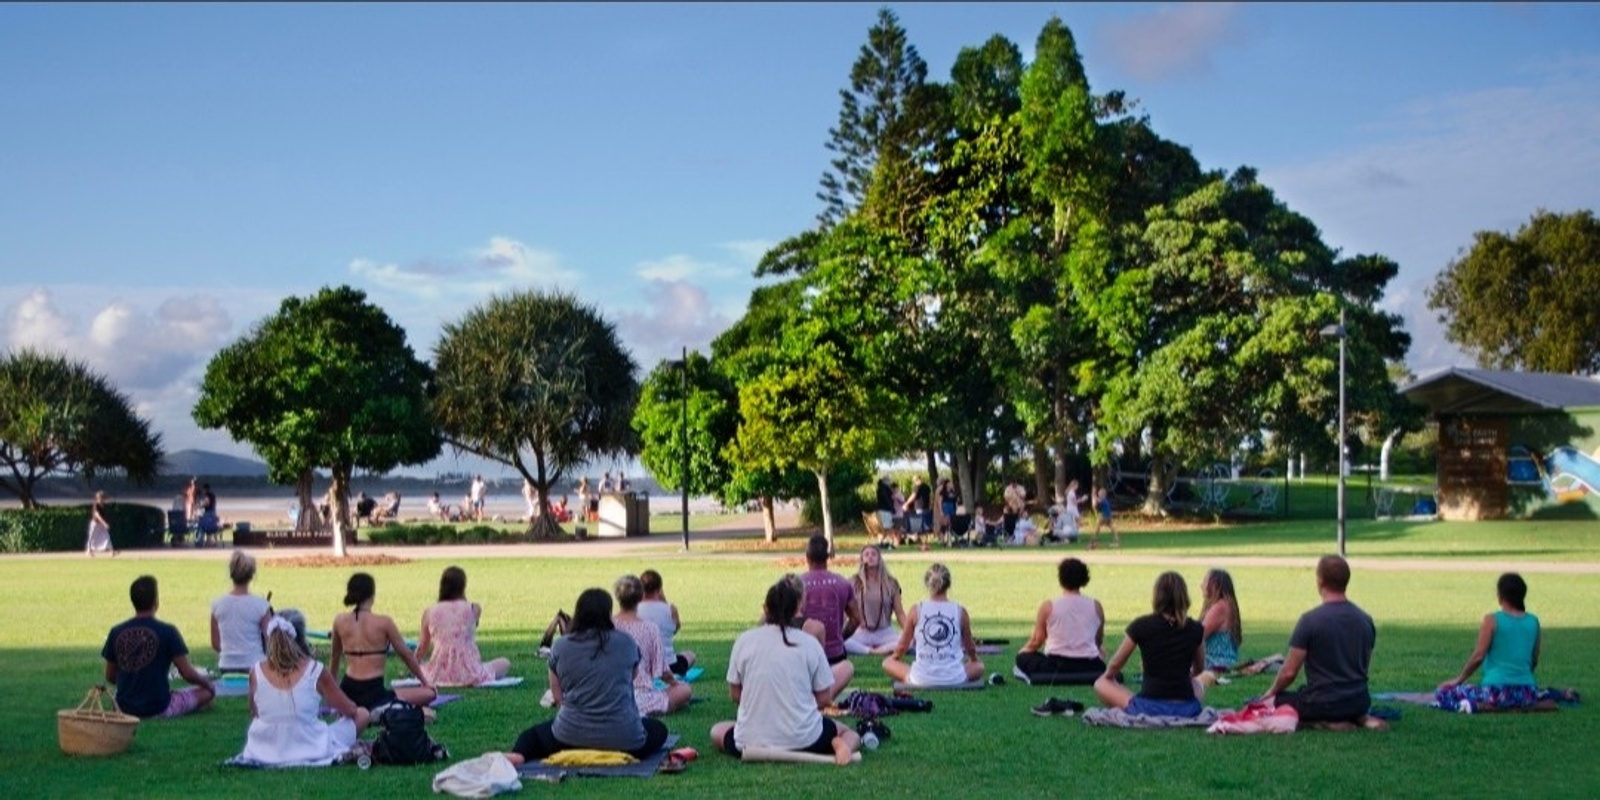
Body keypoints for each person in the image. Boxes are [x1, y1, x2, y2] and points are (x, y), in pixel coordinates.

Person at [504, 589, 671, 766]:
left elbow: (557, 692)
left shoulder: (561, 646)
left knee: (532, 737)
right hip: (625, 737)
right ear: (608, 613)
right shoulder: (626, 642)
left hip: (569, 734)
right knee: (658, 729)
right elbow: (633, 675)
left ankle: (519, 756)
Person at [711, 577, 862, 766]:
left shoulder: (744, 640)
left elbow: (735, 695)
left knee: (717, 731)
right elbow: (824, 700)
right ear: (796, 611)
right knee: (850, 734)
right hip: (806, 738)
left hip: (751, 741)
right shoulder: (809, 643)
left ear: (765, 609)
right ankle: (840, 744)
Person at [1260, 555, 1380, 728]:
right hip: (1359, 700)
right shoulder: (1365, 620)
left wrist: (1271, 693)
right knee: (1339, 703)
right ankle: (1361, 718)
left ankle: (1324, 722)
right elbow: (1363, 666)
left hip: (1324, 702)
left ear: (1320, 581)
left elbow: (1289, 672)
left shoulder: (1310, 621)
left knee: (1277, 701)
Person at [236, 615, 369, 767]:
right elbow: (350, 710)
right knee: (362, 714)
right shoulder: (315, 670)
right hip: (311, 746)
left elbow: (255, 712)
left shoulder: (256, 671)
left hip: (262, 749)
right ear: (301, 640)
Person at [1094, 571, 1205, 717]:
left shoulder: (1141, 625)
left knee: (1101, 683)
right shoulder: (1196, 628)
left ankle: (1136, 706)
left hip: (1149, 707)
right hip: (1187, 707)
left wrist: (1109, 676)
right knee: (1198, 685)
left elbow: (1115, 664)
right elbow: (1198, 670)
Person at [102, 575, 215, 718]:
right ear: (156, 602)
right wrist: (207, 684)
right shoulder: (168, 631)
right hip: (159, 707)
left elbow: (110, 676)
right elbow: (187, 673)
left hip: (123, 708)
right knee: (205, 693)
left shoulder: (116, 631)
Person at [1435, 572, 1545, 711]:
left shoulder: (1491, 620)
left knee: (1442, 692)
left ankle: (1481, 706)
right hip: (1527, 693)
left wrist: (1459, 679)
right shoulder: (1533, 621)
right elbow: (1534, 658)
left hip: (1495, 692)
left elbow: (1479, 656)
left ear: (1501, 595)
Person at [330, 572, 438, 711]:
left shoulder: (339, 620)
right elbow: (406, 655)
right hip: (375, 692)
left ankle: (365, 708)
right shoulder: (384, 622)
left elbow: (335, 657)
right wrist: (425, 682)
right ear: (372, 595)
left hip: (348, 689)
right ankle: (381, 708)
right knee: (430, 694)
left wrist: (333, 692)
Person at [883, 564, 985, 687]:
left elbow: (902, 646)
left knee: (887, 663)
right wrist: (974, 660)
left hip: (920, 678)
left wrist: (895, 658)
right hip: (954, 678)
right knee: (979, 666)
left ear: (927, 584)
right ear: (949, 585)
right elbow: (970, 647)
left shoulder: (916, 610)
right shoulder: (960, 611)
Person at [1014, 557, 1106, 685]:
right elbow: (1098, 640)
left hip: (1056, 665)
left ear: (1061, 579)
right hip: (1089, 665)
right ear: (1084, 579)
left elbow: (1036, 641)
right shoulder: (1096, 606)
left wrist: (1022, 652)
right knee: (1101, 659)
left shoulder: (1049, 606)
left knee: (1023, 658)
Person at [418, 566, 511, 687]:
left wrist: (413, 665)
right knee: (504, 663)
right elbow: (472, 626)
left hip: (438, 672)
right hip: (470, 672)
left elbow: (422, 647)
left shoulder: (429, 612)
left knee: (423, 668)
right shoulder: (473, 608)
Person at [613, 574, 692, 715]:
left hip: (610, 695)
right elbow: (663, 671)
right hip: (642, 696)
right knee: (684, 690)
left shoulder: (607, 625)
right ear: (639, 596)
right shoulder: (650, 628)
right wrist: (675, 684)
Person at [799, 534, 863, 703]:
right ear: (828, 557)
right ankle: (823, 697)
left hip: (802, 657)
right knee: (846, 669)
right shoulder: (843, 583)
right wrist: (841, 637)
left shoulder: (797, 584)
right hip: (835, 656)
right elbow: (857, 619)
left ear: (807, 557)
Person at [211, 551, 272, 674]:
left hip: (226, 664)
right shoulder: (261, 605)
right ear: (252, 575)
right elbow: (270, 640)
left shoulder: (217, 604)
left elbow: (216, 643)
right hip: (255, 664)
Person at [843, 545, 906, 655]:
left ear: (879, 559)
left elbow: (899, 613)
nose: (870, 557)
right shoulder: (853, 582)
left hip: (884, 631)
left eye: (873, 554)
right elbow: (844, 610)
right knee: (841, 642)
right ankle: (872, 651)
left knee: (908, 642)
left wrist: (910, 632)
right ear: (862, 559)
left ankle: (875, 650)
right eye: (866, 554)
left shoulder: (891, 583)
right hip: (861, 632)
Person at [638, 569, 696, 676]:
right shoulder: (670, 609)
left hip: (643, 667)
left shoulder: (634, 610)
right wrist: (664, 600)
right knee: (690, 655)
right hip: (670, 666)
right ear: (660, 589)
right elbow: (675, 629)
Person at [1199, 569, 1243, 674]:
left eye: (1205, 581)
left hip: (1216, 662)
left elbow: (1198, 635)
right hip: (1227, 661)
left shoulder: (1220, 607)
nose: (1201, 585)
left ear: (1214, 585)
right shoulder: (1228, 604)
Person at [85, 490, 116, 557]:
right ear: (97, 498)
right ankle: (88, 551)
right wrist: (104, 523)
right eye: (101, 497)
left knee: (107, 536)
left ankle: (112, 551)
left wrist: (104, 523)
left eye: (103, 497)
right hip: (95, 523)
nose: (103, 499)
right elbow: (97, 515)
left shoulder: (103, 505)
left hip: (101, 524)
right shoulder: (96, 505)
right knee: (91, 537)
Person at [873, 476, 898, 547]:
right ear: (886, 481)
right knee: (887, 527)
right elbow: (887, 499)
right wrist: (892, 508)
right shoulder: (884, 488)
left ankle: (882, 542)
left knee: (885, 527)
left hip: (882, 509)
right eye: (889, 481)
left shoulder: (881, 488)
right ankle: (885, 542)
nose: (890, 483)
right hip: (885, 510)